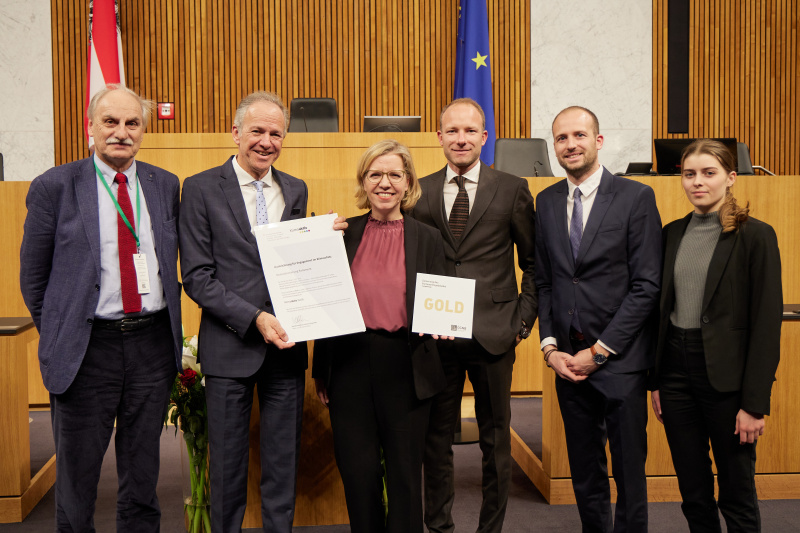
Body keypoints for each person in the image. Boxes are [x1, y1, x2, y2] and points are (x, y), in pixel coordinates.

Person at [179, 91, 346, 532]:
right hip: (229, 346)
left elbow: (291, 260)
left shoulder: (295, 188)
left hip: (286, 349)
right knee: (227, 466)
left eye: (276, 133)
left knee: (282, 463)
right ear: (236, 132)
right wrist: (254, 317)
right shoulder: (199, 188)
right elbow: (197, 277)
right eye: (257, 131)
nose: (266, 142)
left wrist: (323, 237)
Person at [20, 84, 183, 531]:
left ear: (143, 131)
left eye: (132, 123)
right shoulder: (55, 186)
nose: (121, 132)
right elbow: (33, 278)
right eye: (110, 121)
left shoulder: (165, 185)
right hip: (87, 349)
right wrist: (65, 333)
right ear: (89, 126)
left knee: (143, 478)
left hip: (151, 346)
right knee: (77, 483)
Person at [410, 98, 537, 533]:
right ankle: (439, 528)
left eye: (470, 131)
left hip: (495, 334)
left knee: (495, 441)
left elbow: (533, 264)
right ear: (439, 137)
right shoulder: (420, 191)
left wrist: (522, 322)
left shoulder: (512, 188)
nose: (461, 139)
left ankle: (490, 530)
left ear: (484, 137)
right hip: (437, 336)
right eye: (452, 131)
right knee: (436, 442)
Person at [534, 106, 662, 532]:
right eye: (561, 138)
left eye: (579, 135)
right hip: (569, 364)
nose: (570, 144)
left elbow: (646, 285)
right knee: (585, 474)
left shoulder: (635, 197)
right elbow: (546, 281)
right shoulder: (546, 201)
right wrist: (550, 348)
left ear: (598, 141)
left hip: (620, 361)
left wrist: (601, 351)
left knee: (628, 473)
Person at [312, 139, 448, 533]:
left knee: (405, 476)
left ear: (408, 183)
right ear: (363, 182)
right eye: (375, 174)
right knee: (358, 473)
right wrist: (322, 369)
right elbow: (324, 305)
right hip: (349, 364)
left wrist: (445, 322)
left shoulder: (428, 237)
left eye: (394, 175)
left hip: (406, 364)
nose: (384, 183)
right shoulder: (341, 234)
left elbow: (443, 298)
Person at [650, 139, 782, 532]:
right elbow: (661, 314)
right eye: (689, 174)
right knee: (693, 493)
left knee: (736, 494)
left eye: (709, 173)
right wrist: (656, 381)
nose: (697, 182)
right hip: (675, 375)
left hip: (728, 383)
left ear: (731, 177)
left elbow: (766, 324)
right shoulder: (671, 234)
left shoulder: (755, 236)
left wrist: (754, 404)